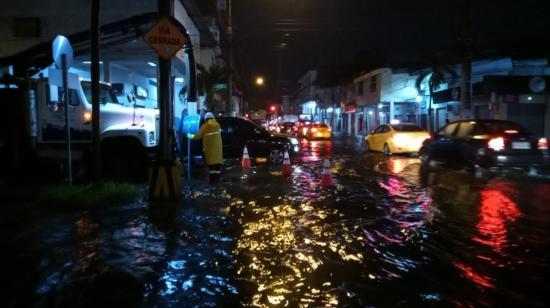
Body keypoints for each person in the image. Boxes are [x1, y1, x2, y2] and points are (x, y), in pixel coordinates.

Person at [189, 112, 223, 182]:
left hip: (210, 152)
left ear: (206, 119)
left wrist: (189, 135)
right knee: (217, 169)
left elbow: (197, 136)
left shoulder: (205, 126)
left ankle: (213, 184)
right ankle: (217, 184)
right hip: (218, 152)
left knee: (212, 170)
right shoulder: (217, 125)